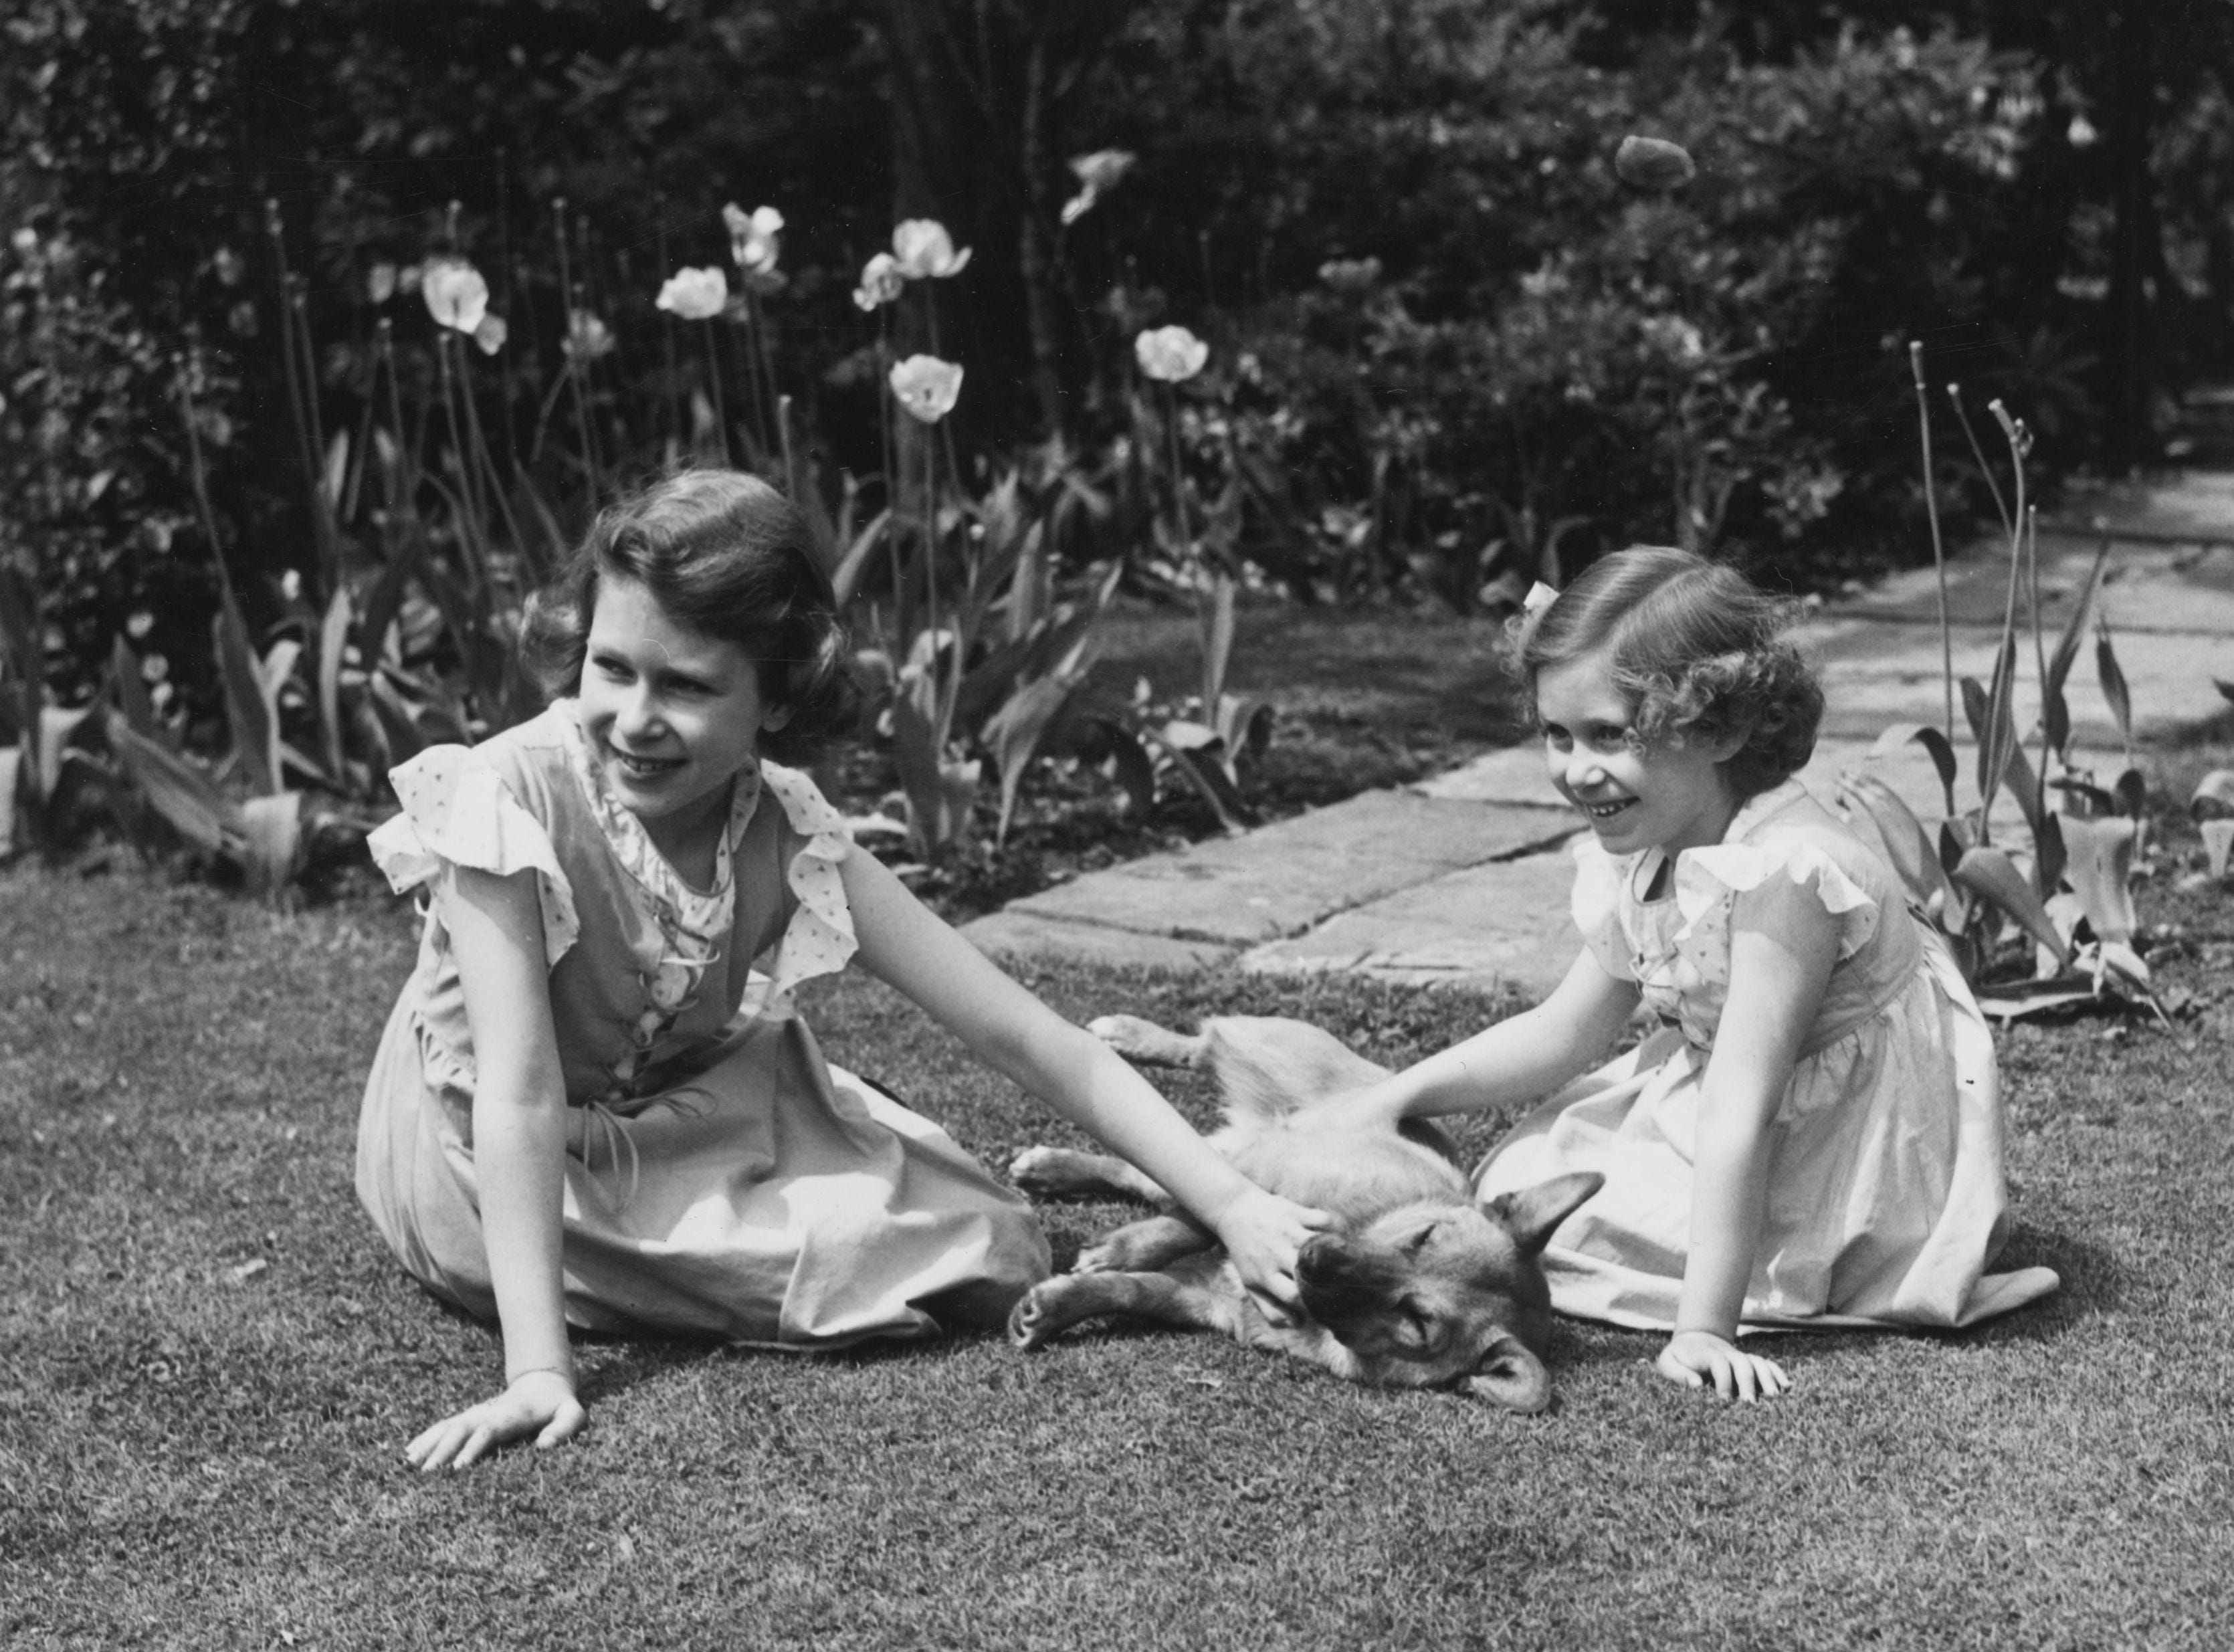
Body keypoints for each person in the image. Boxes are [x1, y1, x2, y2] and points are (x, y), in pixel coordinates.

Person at [357, 468, 1326, 1471]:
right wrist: (538, 1372)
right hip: (488, 1156)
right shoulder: (502, 798)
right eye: (612, 668)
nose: (634, 718)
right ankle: (691, 1233)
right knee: (870, 1257)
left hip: (668, 1102)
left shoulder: (784, 827)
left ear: (776, 699)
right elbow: (516, 1091)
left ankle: (767, 1180)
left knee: (992, 1240)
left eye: (686, 685)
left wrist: (1233, 1203)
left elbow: (1025, 1034)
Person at [1308, 546, 2058, 1401]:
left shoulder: (1785, 877)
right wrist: (1389, 1097)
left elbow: (1745, 1109)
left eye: (1610, 737)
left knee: (1584, 1234)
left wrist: (1703, 1329)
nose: (1575, 769)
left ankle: (1809, 1266)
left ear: (1723, 731)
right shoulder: (1654, 839)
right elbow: (1564, 1032)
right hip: (1729, 1095)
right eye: (1558, 735)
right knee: (1517, 1193)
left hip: (1839, 1141)